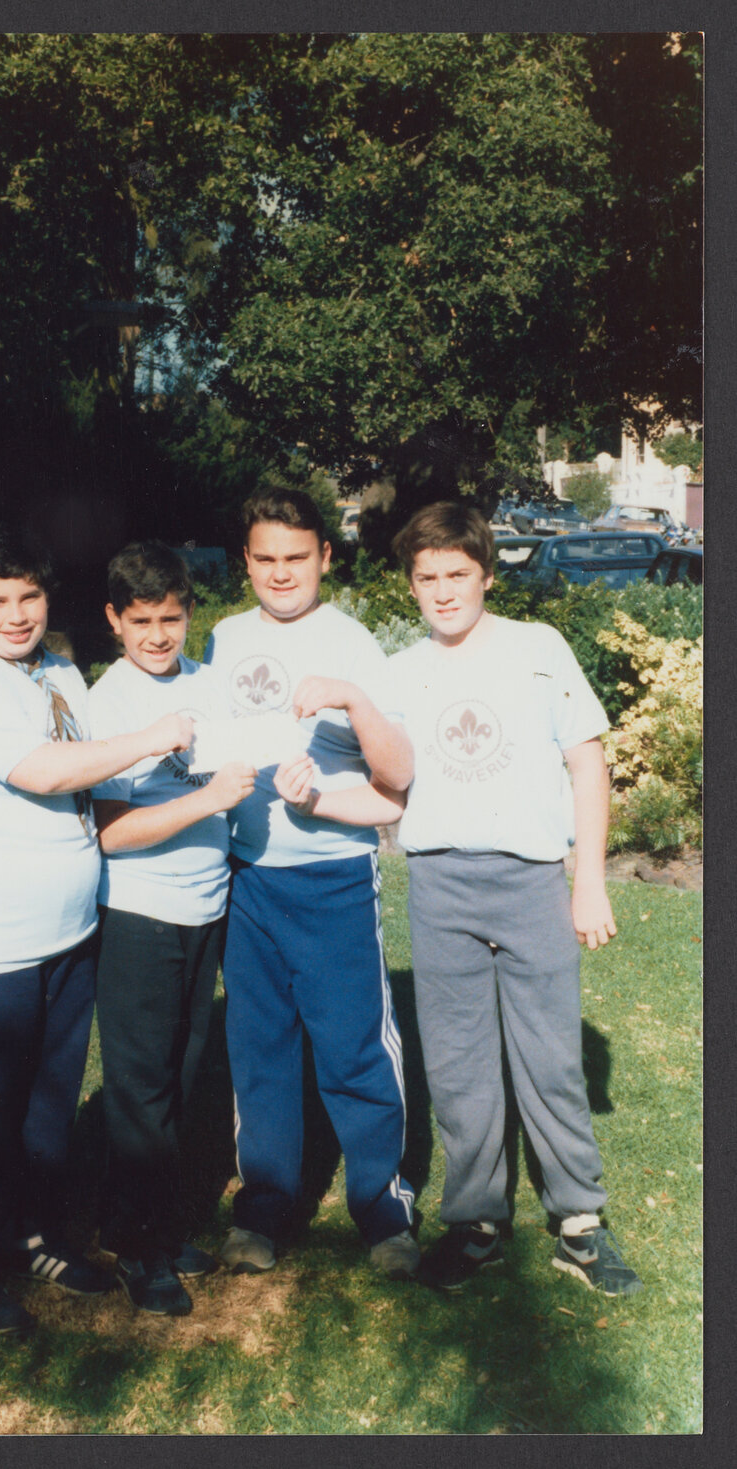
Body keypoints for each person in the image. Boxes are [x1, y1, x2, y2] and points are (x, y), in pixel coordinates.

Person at [0, 523, 193, 1335]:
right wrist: (151, 736)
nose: (15, 614)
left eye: (28, 596)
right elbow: (41, 771)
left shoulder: (60, 670)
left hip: (67, 931)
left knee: (45, 1102)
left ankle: (31, 1235)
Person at [386, 500, 642, 1297]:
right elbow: (384, 780)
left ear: (487, 575)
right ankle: (476, 1222)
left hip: (530, 881)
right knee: (457, 1063)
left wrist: (587, 880)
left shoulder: (538, 648)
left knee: (550, 1056)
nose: (442, 590)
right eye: (426, 577)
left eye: (457, 573)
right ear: (410, 585)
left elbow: (587, 762)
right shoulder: (400, 670)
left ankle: (578, 1221)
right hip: (439, 884)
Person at [203, 488, 420, 1280]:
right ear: (245, 560)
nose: (280, 573)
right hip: (245, 876)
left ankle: (383, 1209)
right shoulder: (223, 638)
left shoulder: (353, 643)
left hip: (331, 877)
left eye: (296, 557)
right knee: (257, 1047)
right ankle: (263, 1206)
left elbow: (398, 775)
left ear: (325, 556)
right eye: (264, 558)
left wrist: (351, 701)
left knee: (353, 1046)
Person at [88, 541, 257, 1316]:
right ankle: (139, 1247)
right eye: (140, 621)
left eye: (170, 618)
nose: (157, 635)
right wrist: (208, 799)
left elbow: (235, 768)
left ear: (190, 612)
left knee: (180, 1075)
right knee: (141, 1088)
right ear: (113, 620)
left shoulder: (207, 683)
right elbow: (113, 832)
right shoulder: (110, 702)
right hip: (139, 915)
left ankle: (150, 1221)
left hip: (203, 906)